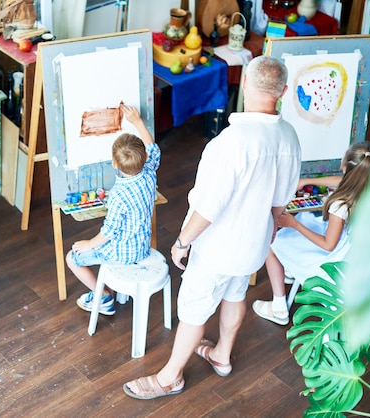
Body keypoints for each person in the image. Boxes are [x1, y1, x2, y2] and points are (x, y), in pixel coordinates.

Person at [123, 55, 302, 399]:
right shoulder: (289, 137)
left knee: (194, 310)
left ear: (246, 84)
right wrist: (269, 232)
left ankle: (169, 378)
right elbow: (280, 201)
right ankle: (221, 355)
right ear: (284, 91)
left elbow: (206, 210)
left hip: (219, 247)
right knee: (236, 293)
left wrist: (181, 243)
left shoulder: (229, 144)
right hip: (256, 244)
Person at [253, 141, 370, 325]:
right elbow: (342, 181)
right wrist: (308, 181)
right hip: (355, 256)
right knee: (307, 219)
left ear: (345, 166)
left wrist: (292, 224)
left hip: (332, 263)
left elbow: (328, 245)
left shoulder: (341, 205)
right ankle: (290, 268)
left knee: (272, 242)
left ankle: (279, 308)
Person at [66, 104, 160, 316]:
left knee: (72, 258)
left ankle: (104, 296)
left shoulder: (119, 194)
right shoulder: (149, 172)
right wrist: (137, 122)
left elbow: (110, 232)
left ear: (114, 165)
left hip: (122, 252)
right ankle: (104, 294)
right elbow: (153, 147)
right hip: (142, 245)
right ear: (145, 157)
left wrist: (89, 244)